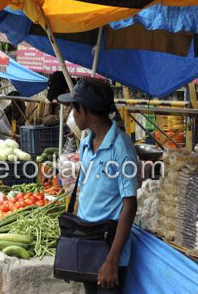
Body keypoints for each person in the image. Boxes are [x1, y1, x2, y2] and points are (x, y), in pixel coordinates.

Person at [58, 80, 138, 294]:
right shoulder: (86, 143)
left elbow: (130, 206)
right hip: (86, 242)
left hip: (107, 248)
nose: (72, 114)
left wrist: (112, 261)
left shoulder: (121, 149)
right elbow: (86, 190)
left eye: (73, 108)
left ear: (82, 110)